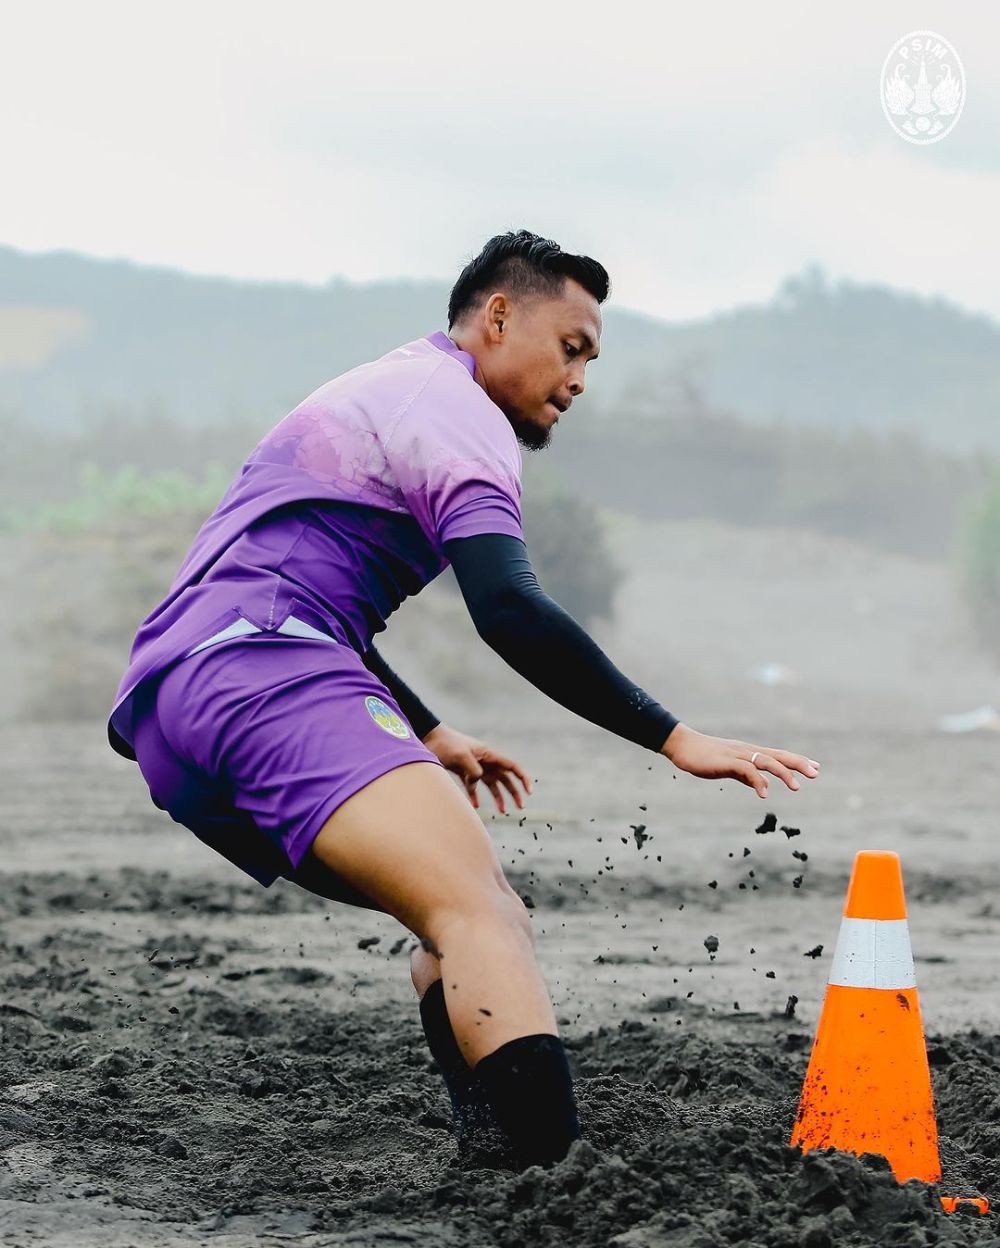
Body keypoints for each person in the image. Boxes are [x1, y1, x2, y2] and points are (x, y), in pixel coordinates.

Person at [109, 228, 821, 1171]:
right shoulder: (458, 409)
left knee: (456, 927)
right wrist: (672, 735)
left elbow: (297, 592)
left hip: (176, 703)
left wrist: (431, 731)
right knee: (482, 916)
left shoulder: (390, 388)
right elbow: (510, 610)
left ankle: (493, 1168)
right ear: (496, 316)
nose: (578, 380)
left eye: (591, 362)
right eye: (571, 347)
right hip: (263, 669)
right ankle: (551, 1187)